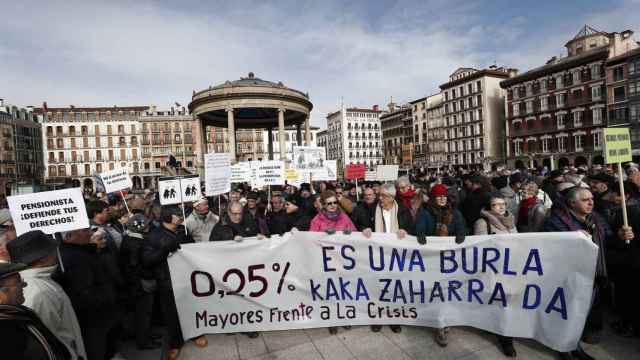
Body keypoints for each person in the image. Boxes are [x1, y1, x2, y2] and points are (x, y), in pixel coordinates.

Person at [543, 187, 633, 360]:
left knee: (581, 314)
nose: (591, 202)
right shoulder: (555, 221)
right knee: (567, 314)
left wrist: (620, 236)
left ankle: (574, 346)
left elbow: (608, 240)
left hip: (593, 276)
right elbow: (552, 247)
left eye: (592, 198)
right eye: (585, 200)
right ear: (572, 203)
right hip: (569, 277)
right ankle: (564, 348)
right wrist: (574, 238)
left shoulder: (596, 218)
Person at [6, 230, 87, 360]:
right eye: (52, 250)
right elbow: (48, 338)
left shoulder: (39, 282)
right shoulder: (39, 291)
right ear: (44, 257)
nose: (56, 253)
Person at [143, 205, 201, 360]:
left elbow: (194, 249)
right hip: (167, 281)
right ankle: (175, 343)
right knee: (171, 314)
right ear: (168, 217)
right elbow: (147, 260)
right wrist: (164, 251)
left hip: (187, 278)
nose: (180, 216)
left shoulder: (183, 231)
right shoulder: (154, 236)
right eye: (176, 214)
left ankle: (195, 334)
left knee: (190, 307)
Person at [57, 227, 121, 360]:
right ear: (69, 236)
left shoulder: (84, 252)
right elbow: (84, 294)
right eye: (85, 231)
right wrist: (106, 297)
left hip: (101, 316)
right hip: (92, 320)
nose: (91, 234)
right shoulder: (73, 259)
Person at [416, 183, 467, 347]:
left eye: (444, 196)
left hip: (450, 261)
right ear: (433, 198)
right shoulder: (425, 212)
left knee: (447, 291)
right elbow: (420, 227)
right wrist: (421, 233)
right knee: (436, 291)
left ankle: (445, 322)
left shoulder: (455, 213)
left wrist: (461, 233)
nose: (443, 199)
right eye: (439, 197)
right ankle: (438, 322)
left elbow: (462, 226)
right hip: (432, 260)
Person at [362, 183, 415, 334]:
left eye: (383, 196)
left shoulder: (403, 211)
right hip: (377, 256)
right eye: (380, 195)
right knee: (377, 287)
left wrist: (405, 231)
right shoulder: (372, 209)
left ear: (392, 198)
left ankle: (393, 318)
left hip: (396, 257)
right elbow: (362, 224)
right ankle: (378, 317)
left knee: (393, 288)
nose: (380, 199)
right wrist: (364, 229)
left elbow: (412, 229)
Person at [473, 196, 517, 357]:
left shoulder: (510, 220)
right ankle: (506, 338)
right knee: (500, 303)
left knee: (509, 302)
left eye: (502, 204)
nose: (500, 207)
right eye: (495, 205)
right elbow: (480, 247)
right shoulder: (483, 222)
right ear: (489, 207)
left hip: (511, 268)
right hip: (494, 269)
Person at [0, 261, 71, 360]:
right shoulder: (5, 327)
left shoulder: (20, 315)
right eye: (18, 282)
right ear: (2, 291)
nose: (24, 285)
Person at [119, 213, 161, 350]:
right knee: (143, 313)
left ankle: (146, 334)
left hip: (139, 283)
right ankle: (143, 341)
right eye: (146, 224)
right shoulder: (135, 243)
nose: (149, 226)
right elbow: (135, 266)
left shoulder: (131, 239)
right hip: (140, 285)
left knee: (145, 312)